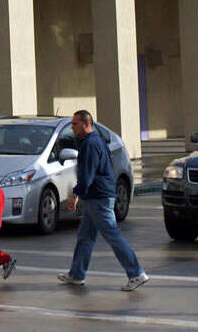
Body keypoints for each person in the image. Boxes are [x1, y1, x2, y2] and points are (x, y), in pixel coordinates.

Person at [57, 110, 147, 290]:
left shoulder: (90, 144)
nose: (72, 128)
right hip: (96, 197)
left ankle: (136, 273)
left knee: (112, 235)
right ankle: (76, 274)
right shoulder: (95, 140)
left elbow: (87, 175)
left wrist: (75, 195)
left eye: (75, 124)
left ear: (86, 124)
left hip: (99, 198)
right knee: (85, 237)